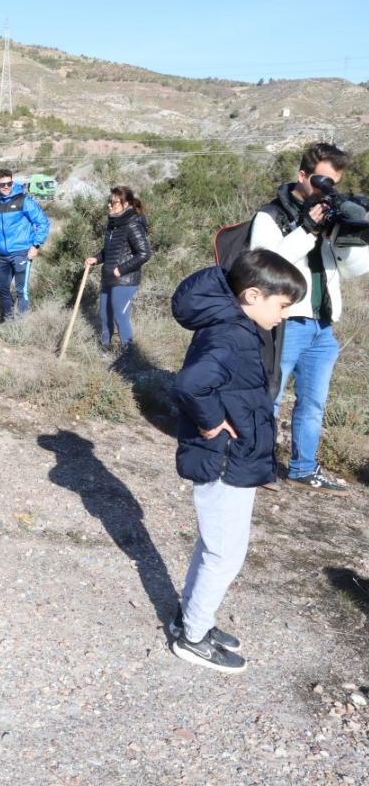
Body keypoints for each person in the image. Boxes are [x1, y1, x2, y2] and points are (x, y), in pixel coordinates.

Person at [169, 249, 306, 673]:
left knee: (216, 546)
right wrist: (211, 425)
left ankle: (193, 619)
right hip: (224, 459)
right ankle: (192, 639)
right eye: (282, 306)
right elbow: (191, 385)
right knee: (225, 554)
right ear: (252, 295)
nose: (285, 315)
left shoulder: (240, 327)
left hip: (233, 458)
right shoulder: (231, 335)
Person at [249, 142, 353, 495]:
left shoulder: (328, 214)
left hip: (323, 326)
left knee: (313, 402)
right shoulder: (271, 215)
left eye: (334, 183)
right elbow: (264, 265)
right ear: (302, 176)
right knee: (271, 395)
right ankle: (257, 465)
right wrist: (306, 228)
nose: (328, 189)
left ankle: (304, 468)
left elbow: (349, 270)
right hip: (286, 320)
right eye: (323, 180)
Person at [0, 168, 50, 320]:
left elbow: (42, 222)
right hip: (3, 255)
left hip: (23, 252)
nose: (6, 187)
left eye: (9, 183)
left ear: (12, 182)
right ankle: (8, 319)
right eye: (2, 184)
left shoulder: (24, 201)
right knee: (2, 288)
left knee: (22, 290)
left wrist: (36, 245)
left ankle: (21, 324)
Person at [85, 186, 152, 352]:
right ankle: (105, 348)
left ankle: (128, 354)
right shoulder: (114, 224)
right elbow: (110, 250)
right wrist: (96, 258)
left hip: (125, 280)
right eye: (109, 202)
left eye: (114, 203)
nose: (109, 205)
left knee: (119, 316)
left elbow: (144, 254)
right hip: (108, 277)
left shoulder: (133, 225)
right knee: (104, 315)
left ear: (125, 204)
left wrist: (121, 270)